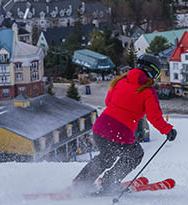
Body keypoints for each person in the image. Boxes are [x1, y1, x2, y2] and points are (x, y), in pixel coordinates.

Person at [74, 54, 177, 195]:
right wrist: (168, 130)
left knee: (106, 156)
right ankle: (110, 182)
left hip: (100, 127)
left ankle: (81, 183)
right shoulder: (147, 91)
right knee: (135, 154)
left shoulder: (120, 81)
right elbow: (154, 117)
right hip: (120, 132)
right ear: (152, 72)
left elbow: (108, 102)